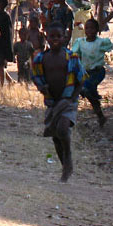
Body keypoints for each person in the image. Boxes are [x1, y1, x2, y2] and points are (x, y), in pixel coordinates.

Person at [31, 22, 86, 182]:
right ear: (46, 37)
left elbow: (82, 78)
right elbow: (36, 77)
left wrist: (73, 97)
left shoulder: (71, 57)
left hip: (68, 100)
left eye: (58, 36)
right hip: (52, 102)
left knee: (62, 129)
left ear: (65, 38)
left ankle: (67, 156)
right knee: (55, 135)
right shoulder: (41, 58)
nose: (55, 39)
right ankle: (65, 167)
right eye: (51, 36)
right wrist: (42, 87)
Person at [71, 18, 113, 127]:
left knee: (87, 88)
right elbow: (73, 55)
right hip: (85, 72)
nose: (89, 30)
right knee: (89, 93)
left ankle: (94, 96)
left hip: (98, 72)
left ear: (97, 30)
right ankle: (101, 116)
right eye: (87, 28)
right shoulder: (80, 42)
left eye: (92, 28)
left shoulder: (101, 42)